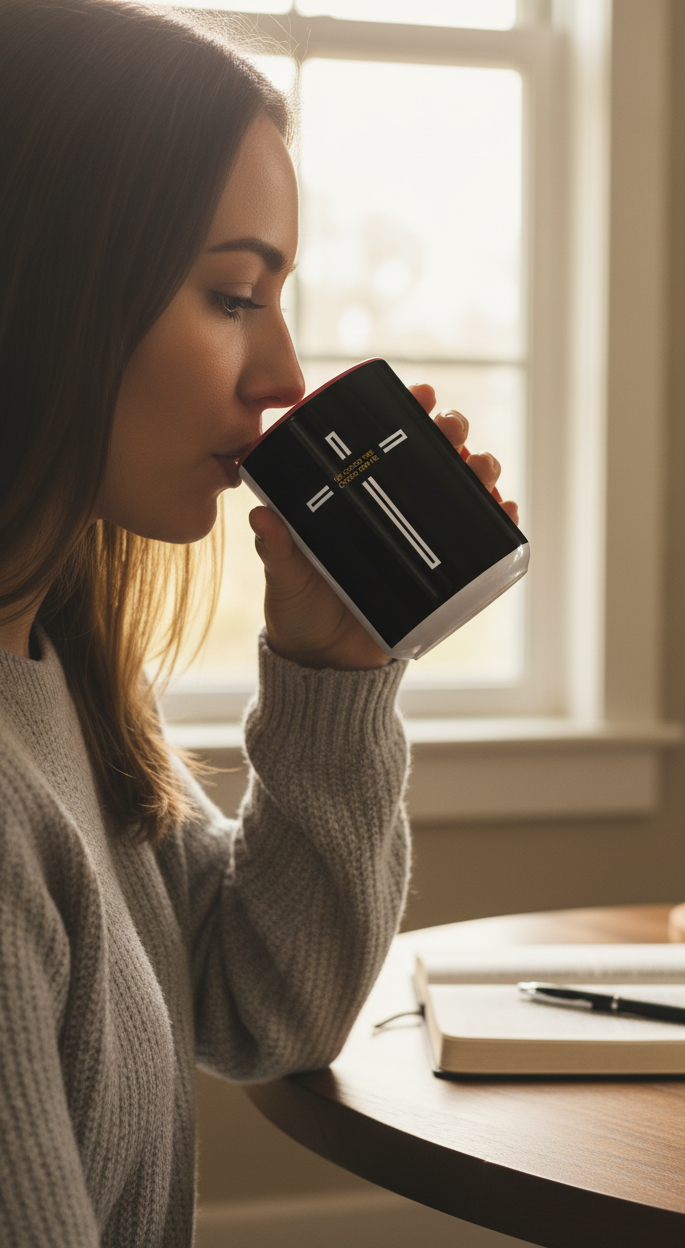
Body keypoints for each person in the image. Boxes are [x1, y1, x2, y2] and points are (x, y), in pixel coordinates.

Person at [0, 1, 518, 1244]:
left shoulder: (57, 657)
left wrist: (332, 671)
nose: (285, 378)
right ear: (44, 282)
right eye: (235, 294)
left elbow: (265, 1003)